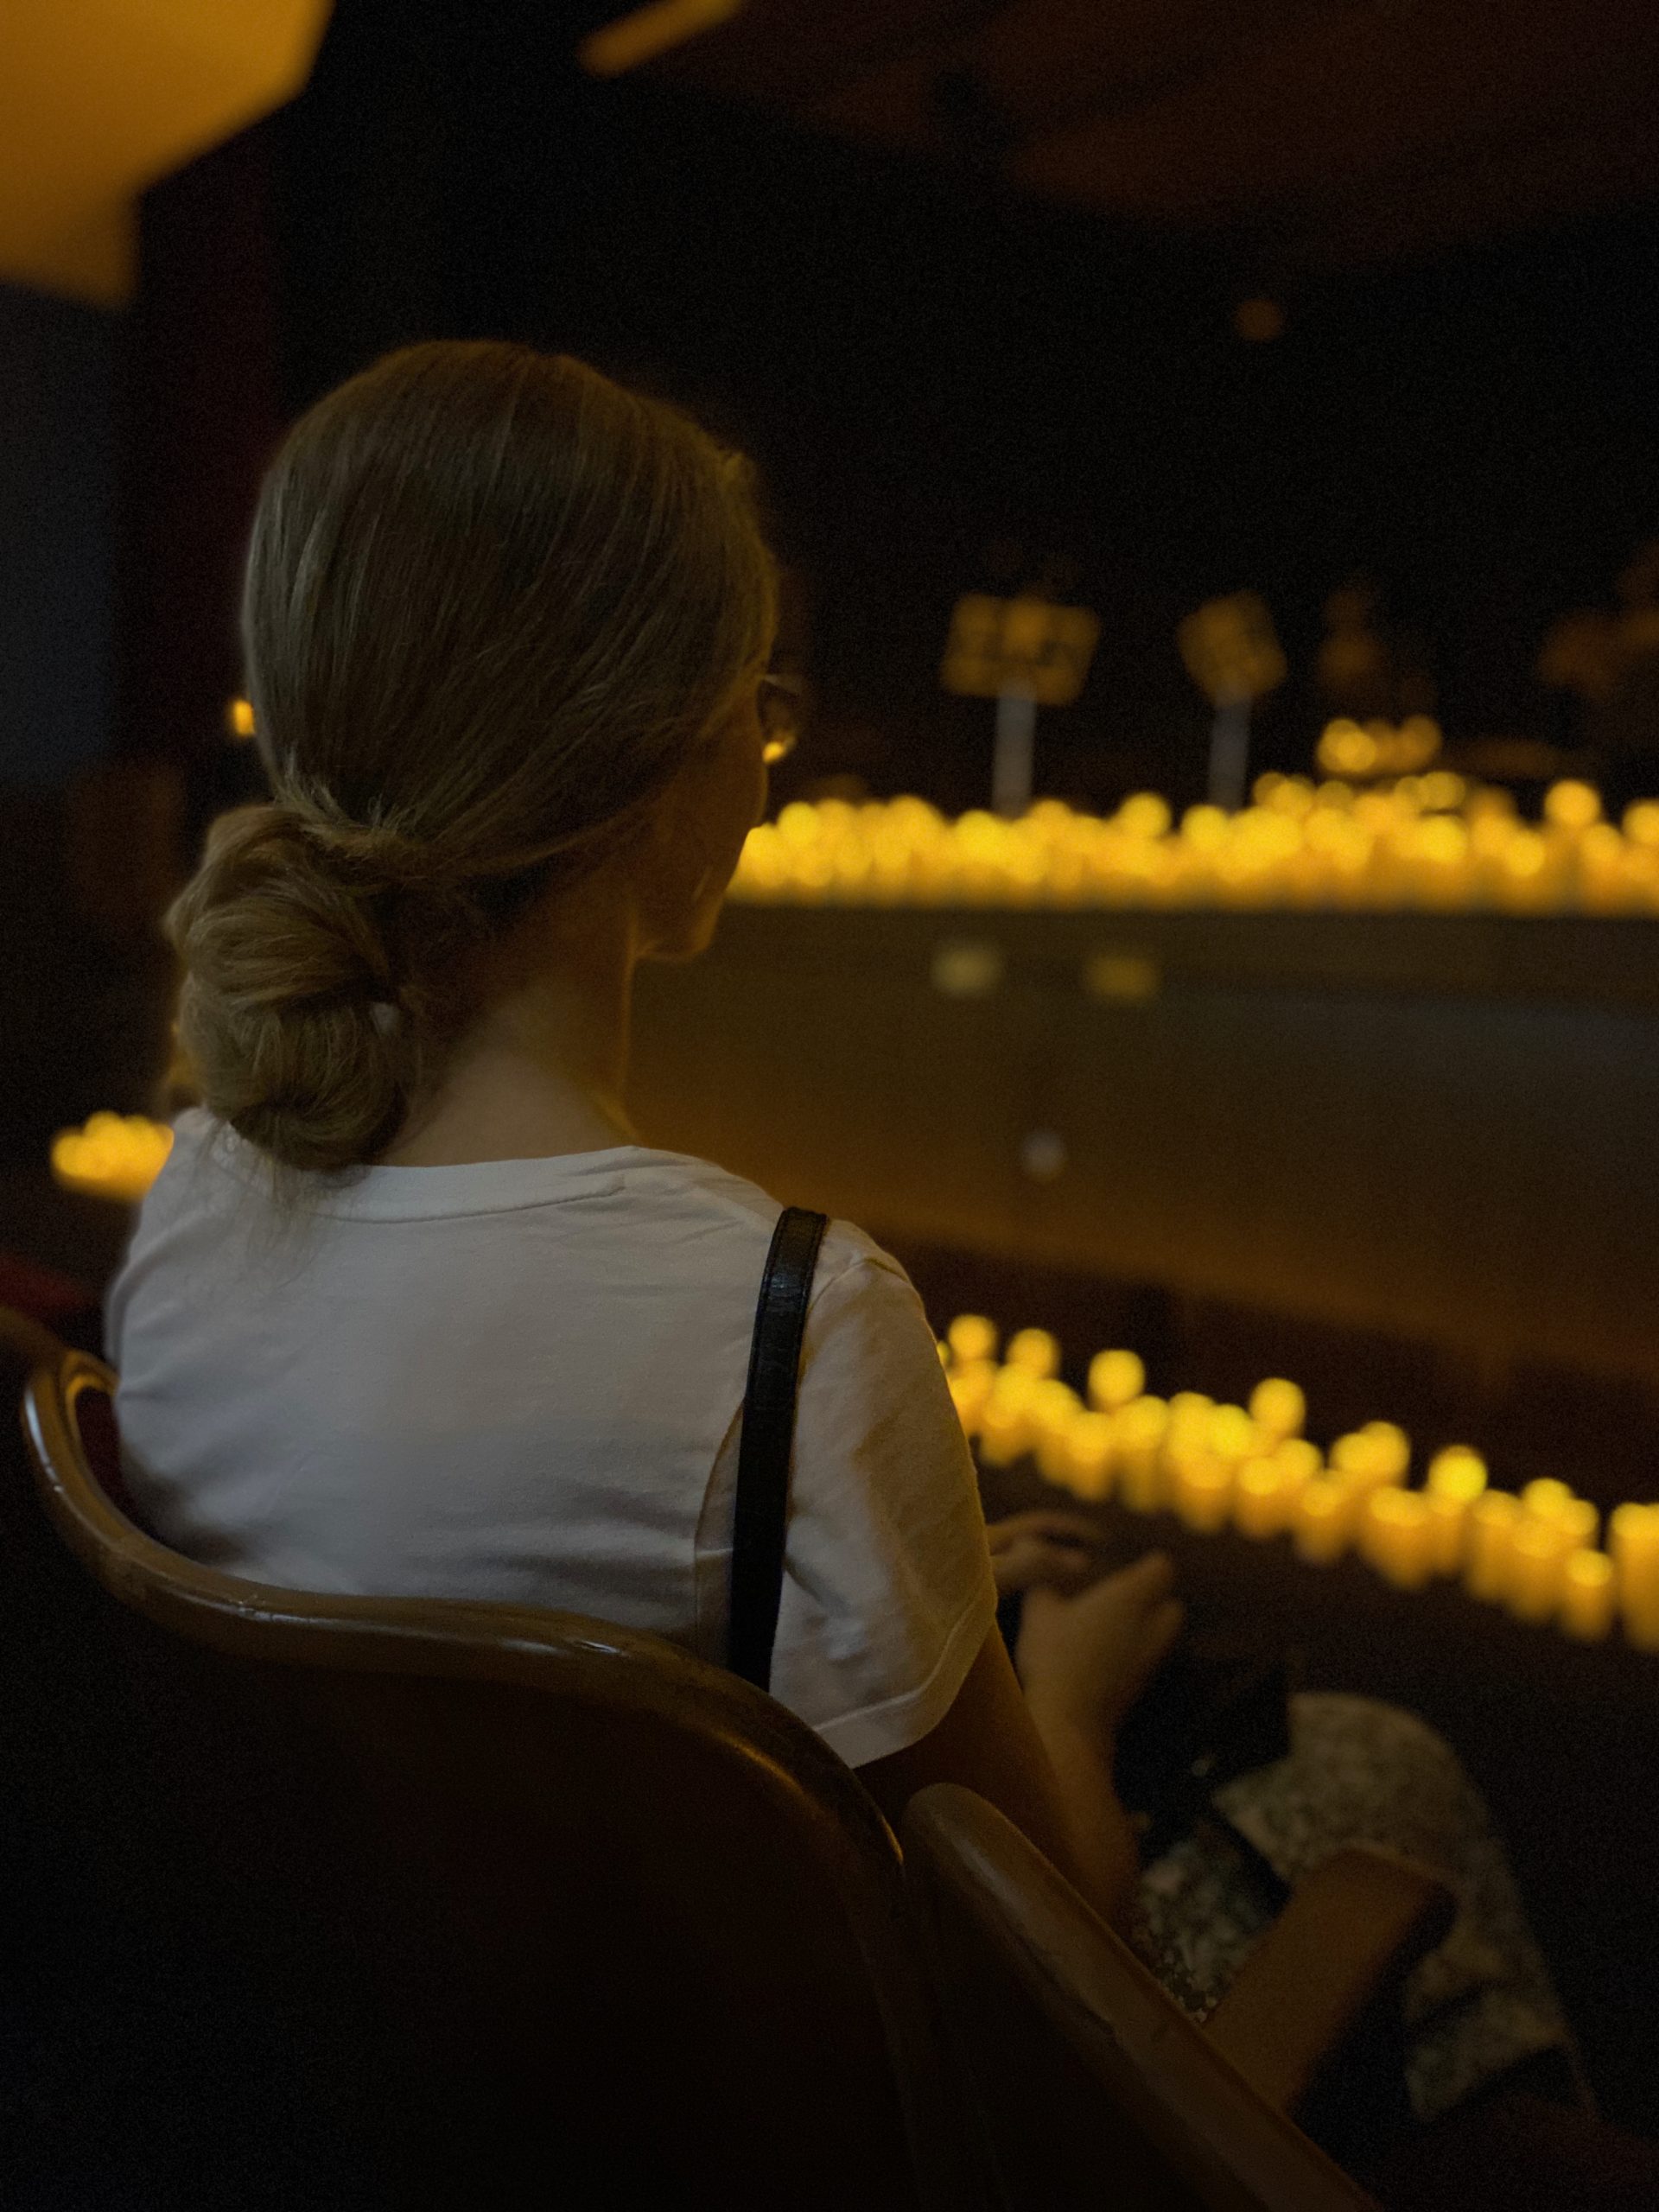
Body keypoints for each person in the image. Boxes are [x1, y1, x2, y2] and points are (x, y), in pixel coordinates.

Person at [107, 341, 1582, 2158]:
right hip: (758, 2124)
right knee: (1387, 1775)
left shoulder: (190, 1201)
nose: (765, 749)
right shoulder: (786, 1322)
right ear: (654, 754)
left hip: (368, 2075)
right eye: (757, 699)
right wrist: (1068, 1683)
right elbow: (1061, 1954)